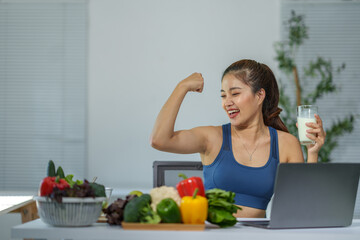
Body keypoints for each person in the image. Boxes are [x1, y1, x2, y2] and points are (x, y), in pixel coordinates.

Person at [150, 59, 326, 218]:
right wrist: (182, 87)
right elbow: (159, 139)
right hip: (214, 234)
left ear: (259, 96)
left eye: (235, 94)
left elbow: (302, 207)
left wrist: (312, 153)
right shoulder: (212, 138)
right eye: (223, 95)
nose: (227, 102)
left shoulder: (285, 143)